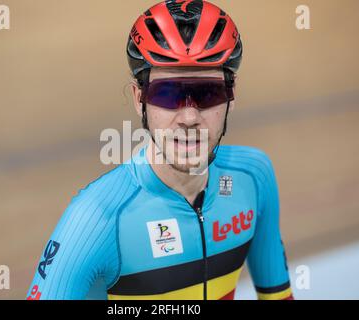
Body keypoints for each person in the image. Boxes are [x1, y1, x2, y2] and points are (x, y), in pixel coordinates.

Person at [26, 0, 293, 300]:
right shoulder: (95, 219)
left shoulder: (254, 177)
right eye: (168, 94)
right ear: (139, 99)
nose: (190, 117)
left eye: (208, 93)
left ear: (232, 97)